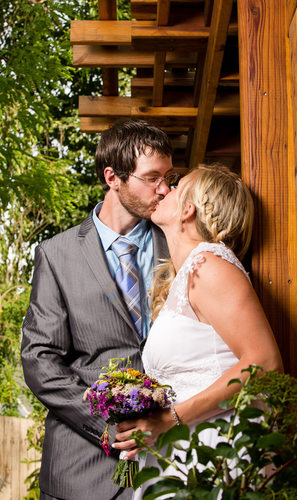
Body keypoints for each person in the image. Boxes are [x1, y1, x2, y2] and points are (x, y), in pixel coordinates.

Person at [21, 119, 177, 500]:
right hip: (81, 469)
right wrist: (108, 427)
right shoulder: (56, 255)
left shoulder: (180, 243)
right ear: (113, 177)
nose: (165, 189)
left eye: (169, 177)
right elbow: (40, 358)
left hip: (171, 461)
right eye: (152, 177)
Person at [112, 164, 283, 496]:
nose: (164, 190)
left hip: (214, 449)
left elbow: (265, 363)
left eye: (175, 186)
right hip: (184, 453)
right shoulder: (191, 272)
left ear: (188, 209)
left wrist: (167, 420)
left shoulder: (210, 267)